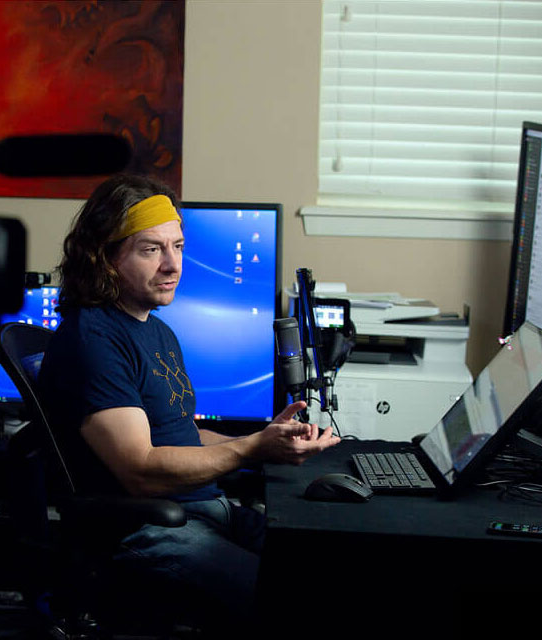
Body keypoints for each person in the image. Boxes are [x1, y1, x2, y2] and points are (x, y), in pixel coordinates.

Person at [38, 173, 339, 630]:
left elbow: (183, 432)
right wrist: (253, 450)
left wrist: (268, 439)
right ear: (105, 256)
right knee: (296, 605)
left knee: (343, 570)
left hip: (201, 511)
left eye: (177, 246)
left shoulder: (156, 330)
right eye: (151, 249)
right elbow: (139, 468)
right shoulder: (93, 338)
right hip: (147, 530)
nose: (172, 265)